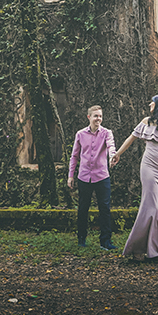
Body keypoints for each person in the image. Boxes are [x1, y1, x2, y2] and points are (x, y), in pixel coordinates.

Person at [112, 94, 158, 263]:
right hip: (148, 167)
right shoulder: (146, 122)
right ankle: (137, 249)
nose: (150, 104)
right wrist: (117, 154)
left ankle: (155, 252)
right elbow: (131, 138)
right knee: (149, 206)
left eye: (153, 102)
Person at [67, 105, 117, 250]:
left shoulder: (107, 133)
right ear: (89, 117)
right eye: (95, 116)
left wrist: (112, 156)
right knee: (83, 209)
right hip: (84, 177)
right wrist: (70, 176)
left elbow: (111, 146)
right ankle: (81, 238)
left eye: (100, 116)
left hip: (102, 176)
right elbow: (74, 156)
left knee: (105, 209)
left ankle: (105, 241)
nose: (98, 119)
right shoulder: (80, 134)